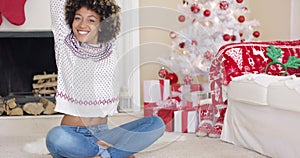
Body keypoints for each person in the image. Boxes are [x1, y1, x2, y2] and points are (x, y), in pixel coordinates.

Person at [46, 0, 166, 158]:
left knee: (156, 124)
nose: (83, 25)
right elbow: (57, 4)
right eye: (78, 18)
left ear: (102, 24)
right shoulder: (65, 44)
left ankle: (103, 154)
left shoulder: (110, 46)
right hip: (72, 133)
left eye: (91, 20)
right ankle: (111, 153)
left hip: (104, 135)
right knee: (56, 138)